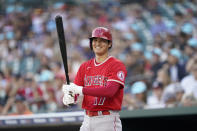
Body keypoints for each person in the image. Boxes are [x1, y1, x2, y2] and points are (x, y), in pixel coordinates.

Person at [62, 27, 127, 131]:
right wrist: (69, 98)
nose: (98, 43)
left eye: (102, 40)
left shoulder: (116, 65)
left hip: (107, 120)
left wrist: (80, 90)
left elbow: (110, 91)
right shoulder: (84, 66)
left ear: (109, 44)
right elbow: (76, 93)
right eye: (95, 40)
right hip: (87, 119)